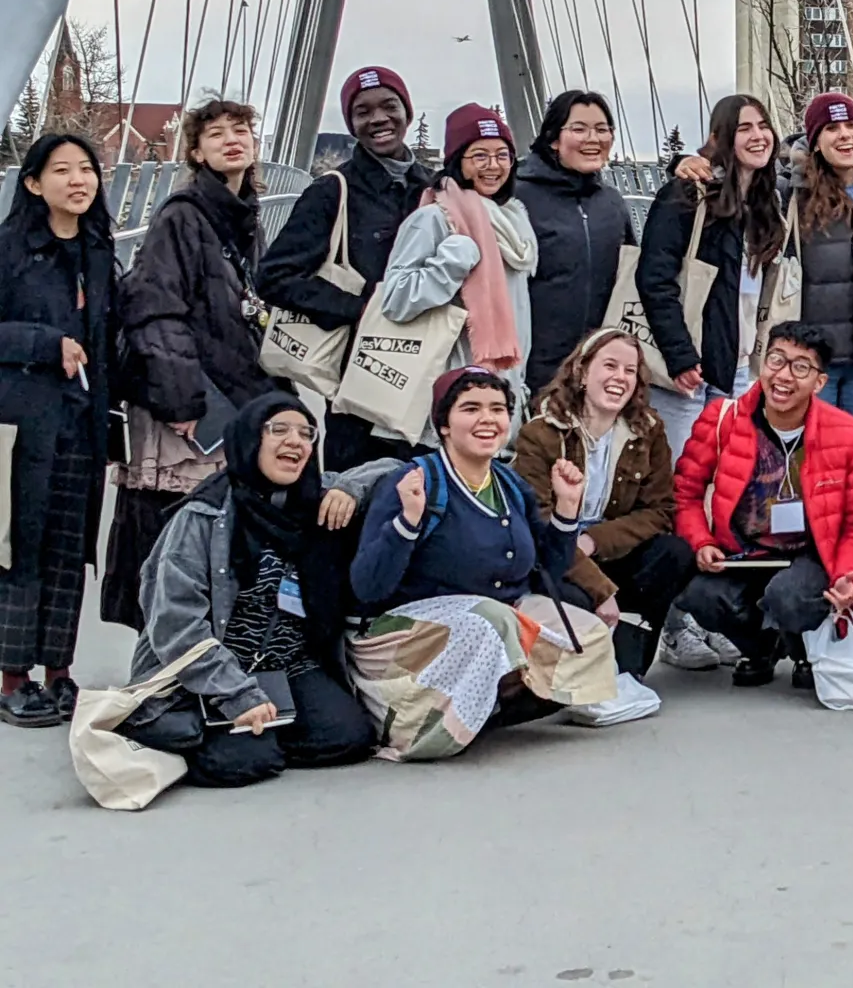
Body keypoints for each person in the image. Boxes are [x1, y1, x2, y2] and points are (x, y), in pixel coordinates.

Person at [116, 394, 386, 786]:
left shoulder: (314, 497)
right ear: (248, 440)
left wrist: (350, 488)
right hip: (210, 671)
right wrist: (237, 694)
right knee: (243, 763)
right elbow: (175, 624)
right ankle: (189, 735)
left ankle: (259, 737)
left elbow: (395, 472)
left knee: (350, 737)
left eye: (306, 433)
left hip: (286, 666)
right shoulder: (203, 515)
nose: (295, 441)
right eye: (279, 430)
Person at [348, 367, 612, 760]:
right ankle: (419, 724)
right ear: (443, 425)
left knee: (587, 634)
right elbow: (367, 587)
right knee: (492, 621)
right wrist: (407, 523)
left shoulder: (508, 484)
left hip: (493, 622)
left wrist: (567, 509)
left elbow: (546, 571)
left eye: (498, 409)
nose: (488, 419)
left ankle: (484, 710)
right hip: (410, 635)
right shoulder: (414, 481)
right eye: (470, 408)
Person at [107, 96, 279, 630]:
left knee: (212, 532)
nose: (233, 140)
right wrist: (181, 397)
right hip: (190, 401)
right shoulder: (182, 216)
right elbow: (155, 306)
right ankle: (158, 658)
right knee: (172, 529)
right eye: (217, 134)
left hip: (230, 393)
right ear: (196, 153)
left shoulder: (242, 217)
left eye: (242, 132)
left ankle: (198, 655)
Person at [672, 91, 853, 436]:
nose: (844, 135)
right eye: (831, 128)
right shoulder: (788, 189)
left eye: (851, 125)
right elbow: (735, 178)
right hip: (808, 357)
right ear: (814, 141)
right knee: (804, 463)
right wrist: (681, 162)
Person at [673, 321, 853, 689]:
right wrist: (702, 543)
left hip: (811, 556)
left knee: (788, 596)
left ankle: (805, 650)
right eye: (776, 360)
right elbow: (685, 493)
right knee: (699, 595)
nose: (784, 375)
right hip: (743, 553)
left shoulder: (848, 435)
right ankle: (759, 649)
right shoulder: (723, 420)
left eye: (801, 367)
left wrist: (850, 576)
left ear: (819, 382)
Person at [0, 135, 121, 728]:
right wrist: (45, 345)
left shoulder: (99, 250)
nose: (79, 180)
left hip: (83, 424)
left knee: (71, 549)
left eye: (87, 170)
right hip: (23, 424)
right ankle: (12, 678)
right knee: (23, 546)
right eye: (62, 170)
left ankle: (60, 673)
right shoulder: (10, 249)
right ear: (32, 183)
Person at [259, 65, 433, 470]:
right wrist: (360, 309)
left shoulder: (434, 189)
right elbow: (274, 277)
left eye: (389, 105)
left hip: (424, 373)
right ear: (351, 124)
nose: (378, 119)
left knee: (422, 501)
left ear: (406, 111)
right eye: (362, 111)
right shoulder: (331, 192)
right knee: (350, 502)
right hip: (358, 380)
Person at [513, 328, 694, 677]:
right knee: (579, 598)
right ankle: (572, 672)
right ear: (582, 372)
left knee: (673, 554)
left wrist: (595, 540)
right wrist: (601, 590)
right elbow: (538, 523)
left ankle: (629, 666)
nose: (620, 378)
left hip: (606, 546)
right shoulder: (541, 433)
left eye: (630, 370)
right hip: (554, 553)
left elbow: (660, 511)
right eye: (609, 365)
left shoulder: (648, 431)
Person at [380, 104, 539, 441]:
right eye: (479, 155)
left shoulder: (515, 219)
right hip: (445, 407)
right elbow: (396, 299)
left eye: (502, 155)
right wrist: (452, 260)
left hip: (501, 401)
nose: (493, 166)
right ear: (457, 161)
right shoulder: (434, 219)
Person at [639, 93, 783, 458]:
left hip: (735, 367)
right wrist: (680, 356)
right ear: (721, 138)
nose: (758, 136)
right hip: (687, 370)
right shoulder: (688, 195)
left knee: (720, 479)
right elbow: (654, 278)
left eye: (764, 126)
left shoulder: (767, 204)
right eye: (744, 128)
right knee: (679, 476)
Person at [517, 89, 636, 395]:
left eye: (601, 129)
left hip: (599, 372)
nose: (592, 139)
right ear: (553, 139)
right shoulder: (517, 197)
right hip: (534, 371)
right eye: (579, 129)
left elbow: (631, 280)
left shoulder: (612, 203)